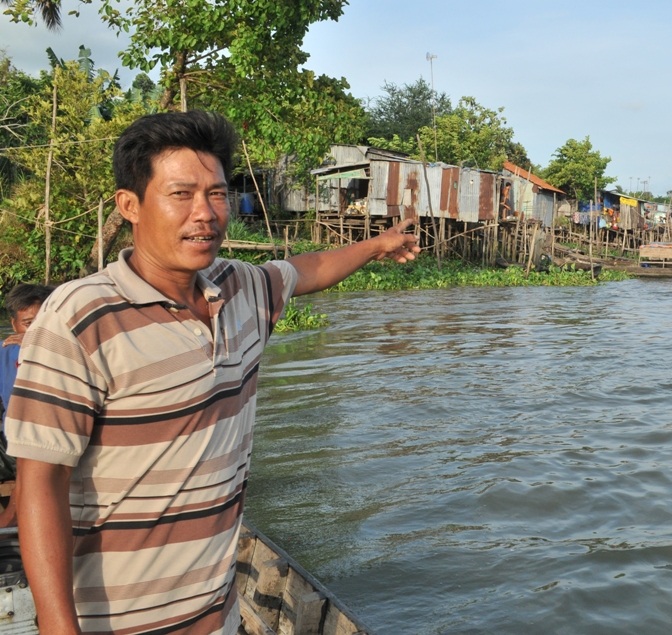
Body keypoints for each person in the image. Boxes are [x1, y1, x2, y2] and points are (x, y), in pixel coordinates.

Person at [4, 110, 420, 634]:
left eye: (217, 194)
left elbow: (305, 271)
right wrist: (58, 628)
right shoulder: (78, 317)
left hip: (215, 616)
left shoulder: (241, 288)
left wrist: (379, 245)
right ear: (129, 205)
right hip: (112, 622)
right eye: (181, 195)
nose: (205, 213)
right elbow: (40, 482)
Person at [0, 283, 54, 526]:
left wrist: (39, 344)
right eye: (29, 325)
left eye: (44, 324)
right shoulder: (5, 353)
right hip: (10, 441)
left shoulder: (68, 352)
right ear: (14, 326)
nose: (35, 332)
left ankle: (13, 513)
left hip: (49, 440)